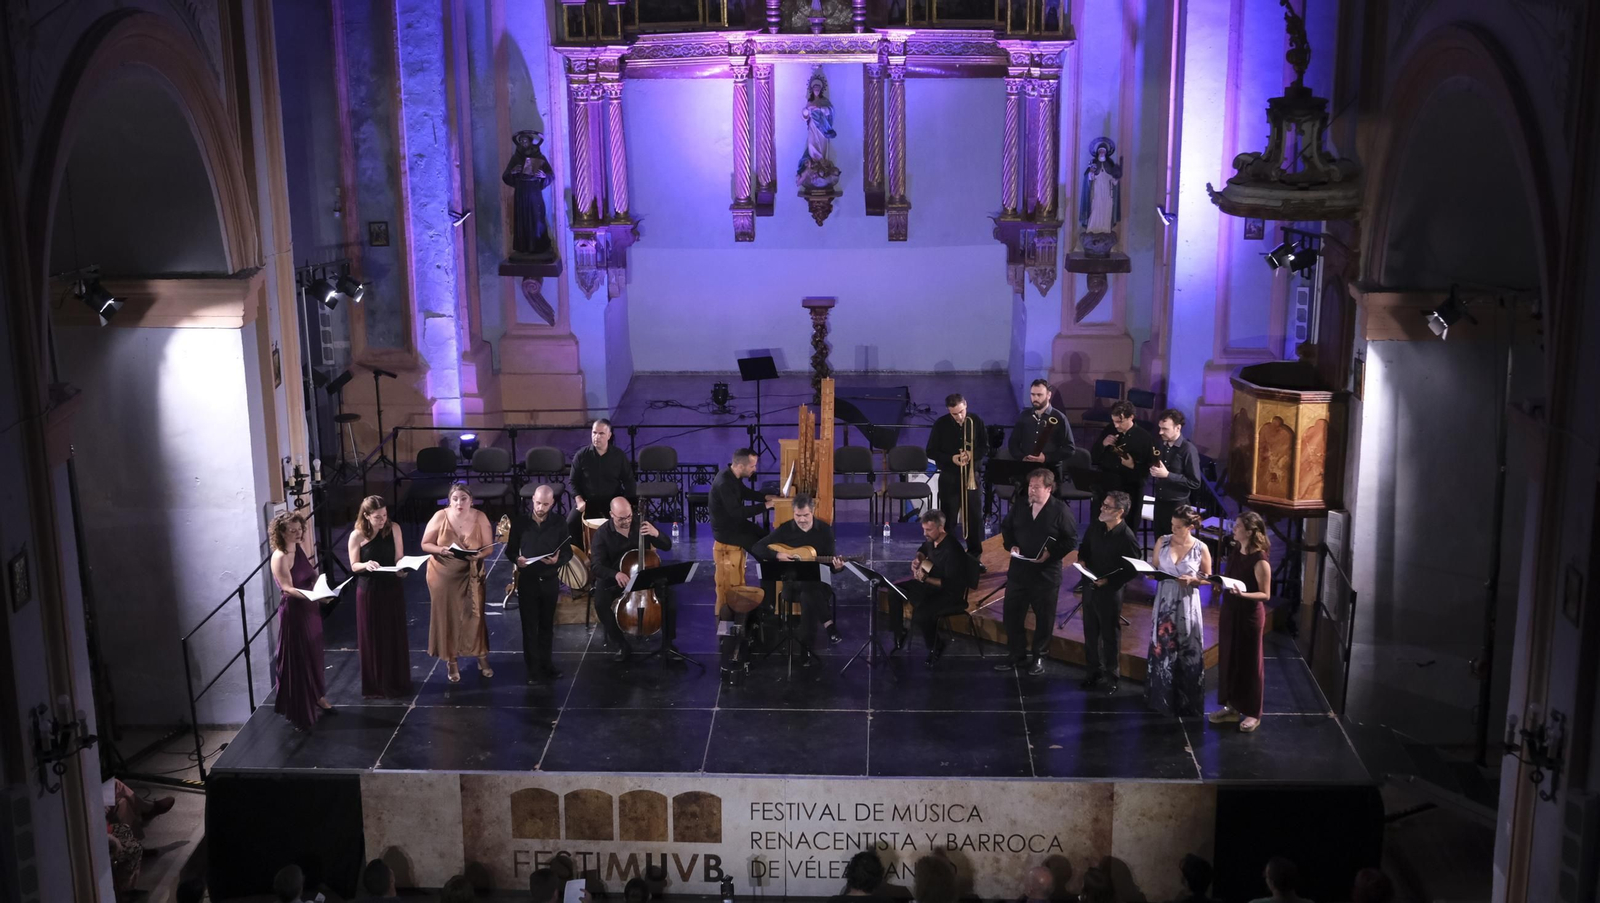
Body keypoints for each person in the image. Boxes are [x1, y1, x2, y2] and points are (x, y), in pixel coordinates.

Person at [996, 469, 1079, 675]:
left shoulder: (1060, 511)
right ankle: (1016, 654)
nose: (1031, 490)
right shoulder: (1021, 505)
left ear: (1049, 489)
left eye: (1036, 487)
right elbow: (1007, 528)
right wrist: (1012, 545)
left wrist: (1050, 553)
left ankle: (1039, 657)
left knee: (1044, 618)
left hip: (1045, 575)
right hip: (1019, 571)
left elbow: (1070, 541)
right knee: (1012, 616)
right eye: (1030, 486)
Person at [750, 494, 843, 667]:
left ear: (812, 512)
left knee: (809, 592)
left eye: (805, 515)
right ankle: (827, 627)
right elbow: (758, 547)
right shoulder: (786, 529)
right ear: (793, 513)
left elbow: (830, 565)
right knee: (807, 592)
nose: (801, 520)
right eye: (797, 515)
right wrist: (777, 555)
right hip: (792, 585)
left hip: (819, 584)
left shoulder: (824, 531)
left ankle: (806, 649)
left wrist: (838, 567)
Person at [421, 483, 495, 683]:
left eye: (463, 498)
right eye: (455, 499)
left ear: (471, 500)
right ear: (449, 500)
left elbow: (489, 548)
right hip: (443, 574)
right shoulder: (440, 516)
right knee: (449, 617)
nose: (459, 502)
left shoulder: (480, 517)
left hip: (471, 573)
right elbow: (425, 543)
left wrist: (479, 554)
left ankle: (481, 656)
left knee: (475, 616)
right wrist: (441, 550)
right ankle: (451, 661)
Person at [268, 512, 333, 731]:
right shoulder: (280, 556)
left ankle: (317, 695)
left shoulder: (299, 548)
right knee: (300, 657)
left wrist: (321, 588)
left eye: (300, 529)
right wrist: (312, 596)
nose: (298, 533)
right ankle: (300, 708)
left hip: (310, 608)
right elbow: (287, 588)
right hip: (295, 611)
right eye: (292, 530)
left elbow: (311, 575)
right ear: (281, 532)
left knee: (314, 652)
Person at [589, 497, 675, 661]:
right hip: (616, 577)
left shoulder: (641, 524)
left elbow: (667, 545)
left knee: (670, 598)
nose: (627, 521)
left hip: (643, 574)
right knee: (600, 603)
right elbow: (596, 566)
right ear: (611, 515)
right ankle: (621, 644)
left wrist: (655, 533)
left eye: (629, 516)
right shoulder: (602, 534)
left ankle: (669, 643)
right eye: (621, 518)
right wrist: (615, 574)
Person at [1211, 510, 1273, 732]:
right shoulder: (1237, 550)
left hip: (1249, 616)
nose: (1233, 529)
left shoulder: (1260, 561)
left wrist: (1242, 595)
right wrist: (1220, 583)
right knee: (1229, 658)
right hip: (1230, 610)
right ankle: (1231, 707)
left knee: (1249, 662)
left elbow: (1265, 595)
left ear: (1249, 531)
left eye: (1237, 526)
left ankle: (1253, 712)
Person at [1146, 505, 1211, 716]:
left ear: (1190, 527)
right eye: (1172, 525)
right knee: (1163, 647)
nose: (1173, 530)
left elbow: (1208, 579)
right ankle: (1161, 698)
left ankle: (1187, 700)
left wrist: (1193, 580)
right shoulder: (1162, 541)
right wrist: (1150, 573)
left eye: (1178, 527)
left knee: (1186, 647)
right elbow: (1155, 567)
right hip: (1165, 600)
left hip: (1186, 603)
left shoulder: (1201, 548)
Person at [1077, 491, 1142, 694]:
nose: (1102, 509)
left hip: (1110, 591)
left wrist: (1109, 580)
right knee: (1090, 631)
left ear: (1119, 512)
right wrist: (1082, 560)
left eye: (1107, 507)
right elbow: (1085, 547)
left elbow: (1133, 567)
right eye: (1103, 504)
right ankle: (1093, 671)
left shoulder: (1126, 537)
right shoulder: (1097, 525)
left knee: (1109, 634)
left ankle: (1111, 676)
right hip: (1090, 585)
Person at [348, 495, 412, 698]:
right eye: (377, 517)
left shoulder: (394, 528)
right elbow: (354, 565)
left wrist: (403, 569)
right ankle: (375, 684)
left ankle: (396, 680)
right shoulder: (357, 535)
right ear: (366, 516)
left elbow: (398, 558)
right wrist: (365, 565)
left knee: (393, 633)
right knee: (373, 636)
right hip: (369, 590)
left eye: (384, 515)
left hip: (391, 587)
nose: (382, 519)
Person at [888, 510, 970, 667]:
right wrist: (918, 559)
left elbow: (951, 584)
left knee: (921, 614)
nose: (925, 533)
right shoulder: (932, 539)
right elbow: (923, 548)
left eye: (928, 530)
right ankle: (900, 632)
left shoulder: (952, 551)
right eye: (923, 529)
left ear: (941, 528)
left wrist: (926, 578)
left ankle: (937, 645)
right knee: (894, 591)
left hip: (948, 593)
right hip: (929, 585)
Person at [510, 485, 574, 681]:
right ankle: (533, 670)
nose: (540, 507)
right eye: (538, 503)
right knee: (529, 628)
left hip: (549, 581)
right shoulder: (521, 523)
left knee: (547, 626)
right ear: (532, 500)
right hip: (528, 581)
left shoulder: (559, 522)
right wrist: (517, 560)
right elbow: (510, 550)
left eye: (545, 504)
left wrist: (557, 561)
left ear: (552, 503)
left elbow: (567, 552)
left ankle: (547, 665)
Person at [925, 393, 987, 557]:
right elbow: (931, 451)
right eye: (954, 414)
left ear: (965, 404)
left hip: (971, 475)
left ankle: (975, 555)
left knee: (974, 517)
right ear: (948, 410)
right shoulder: (941, 424)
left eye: (961, 411)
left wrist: (971, 455)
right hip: (949, 477)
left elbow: (985, 447)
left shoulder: (976, 421)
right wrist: (952, 458)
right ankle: (950, 555)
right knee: (949, 518)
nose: (959, 417)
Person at [567, 419, 636, 545]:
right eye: (594, 433)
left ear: (609, 435)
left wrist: (627, 503)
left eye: (601, 433)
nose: (596, 437)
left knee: (633, 523)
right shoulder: (581, 455)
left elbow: (629, 481)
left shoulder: (618, 455)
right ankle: (582, 555)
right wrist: (579, 500)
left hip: (612, 501)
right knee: (570, 524)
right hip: (588, 502)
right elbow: (572, 481)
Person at [1090, 401, 1156, 528]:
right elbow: (1094, 457)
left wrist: (1132, 465)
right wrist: (1103, 444)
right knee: (1099, 525)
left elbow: (1147, 471)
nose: (1116, 425)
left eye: (1120, 422)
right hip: (1106, 486)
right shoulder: (1109, 429)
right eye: (1114, 421)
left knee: (1127, 527)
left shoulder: (1144, 438)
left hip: (1129, 490)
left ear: (1131, 417)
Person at [1149, 409, 1203, 538]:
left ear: (1177, 428)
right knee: (1160, 541)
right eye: (1160, 428)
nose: (1160, 432)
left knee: (1175, 544)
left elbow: (1195, 482)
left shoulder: (1188, 450)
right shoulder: (1161, 445)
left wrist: (1167, 475)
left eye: (1165, 429)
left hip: (1177, 506)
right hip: (1161, 502)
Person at [712, 447, 776, 551]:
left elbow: (744, 491)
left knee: (768, 538)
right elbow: (737, 512)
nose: (755, 469)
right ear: (741, 466)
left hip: (736, 524)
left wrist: (765, 497)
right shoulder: (724, 484)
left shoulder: (733, 474)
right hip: (726, 531)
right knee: (763, 550)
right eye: (752, 466)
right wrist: (766, 505)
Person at [1009, 379, 1075, 473]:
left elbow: (1070, 448)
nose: (1035, 398)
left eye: (1039, 395)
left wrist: (1046, 458)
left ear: (1049, 395)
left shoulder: (1059, 418)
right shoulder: (1024, 416)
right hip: (1027, 470)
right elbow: (1013, 443)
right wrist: (1022, 458)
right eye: (1032, 394)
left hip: (1050, 471)